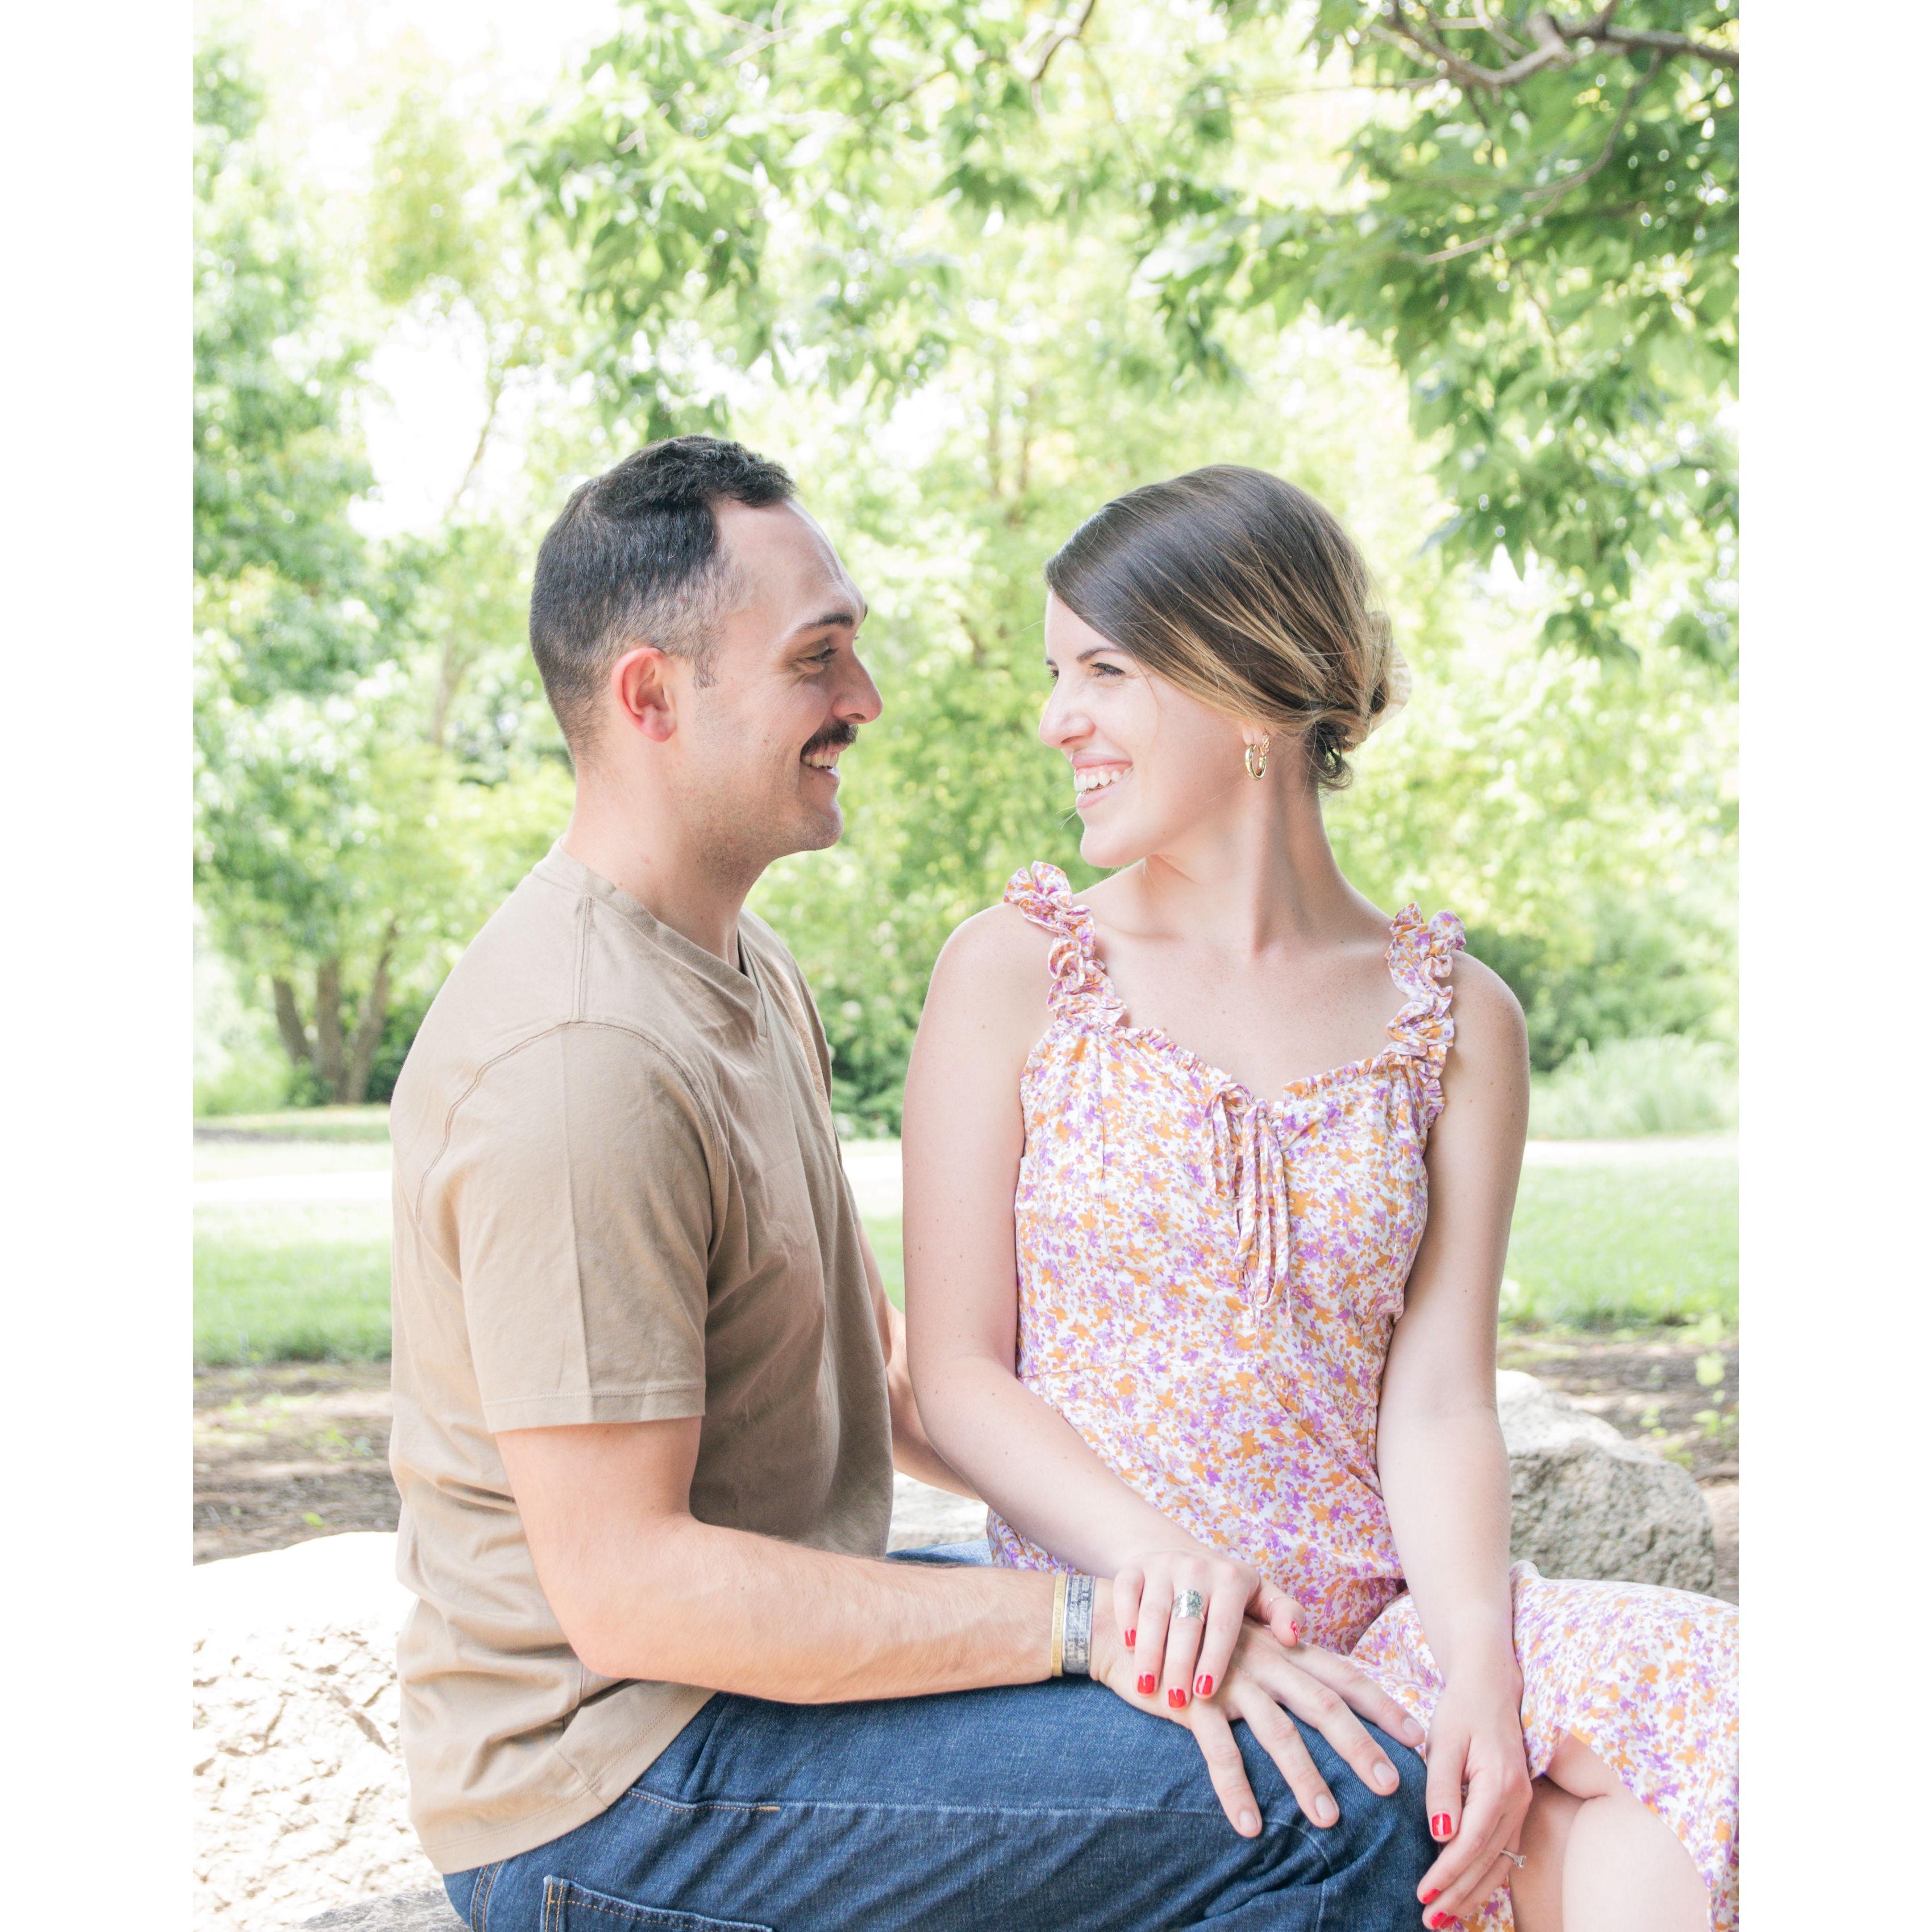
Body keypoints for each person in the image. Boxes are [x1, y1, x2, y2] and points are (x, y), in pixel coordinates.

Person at [387, 436, 1440, 1930]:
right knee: (1332, 1803)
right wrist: (1084, 1624)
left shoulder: (735, 968)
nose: (866, 700)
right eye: (817, 660)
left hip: (735, 1702)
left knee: (1273, 1694)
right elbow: (628, 1591)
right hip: (617, 1798)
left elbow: (877, 1382)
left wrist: (1183, 1571)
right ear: (651, 698)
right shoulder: (580, 1059)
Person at [901, 465, 1739, 1932]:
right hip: (1138, 1648)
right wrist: (1166, 1577)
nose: (1056, 720)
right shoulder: (1016, 971)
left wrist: (1482, 1668)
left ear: (1248, 686)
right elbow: (958, 1376)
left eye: (1103, 670)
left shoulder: (1457, 1016)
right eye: (1057, 674)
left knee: (1732, 1751)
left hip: (1397, 1625)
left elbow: (1439, 1396)